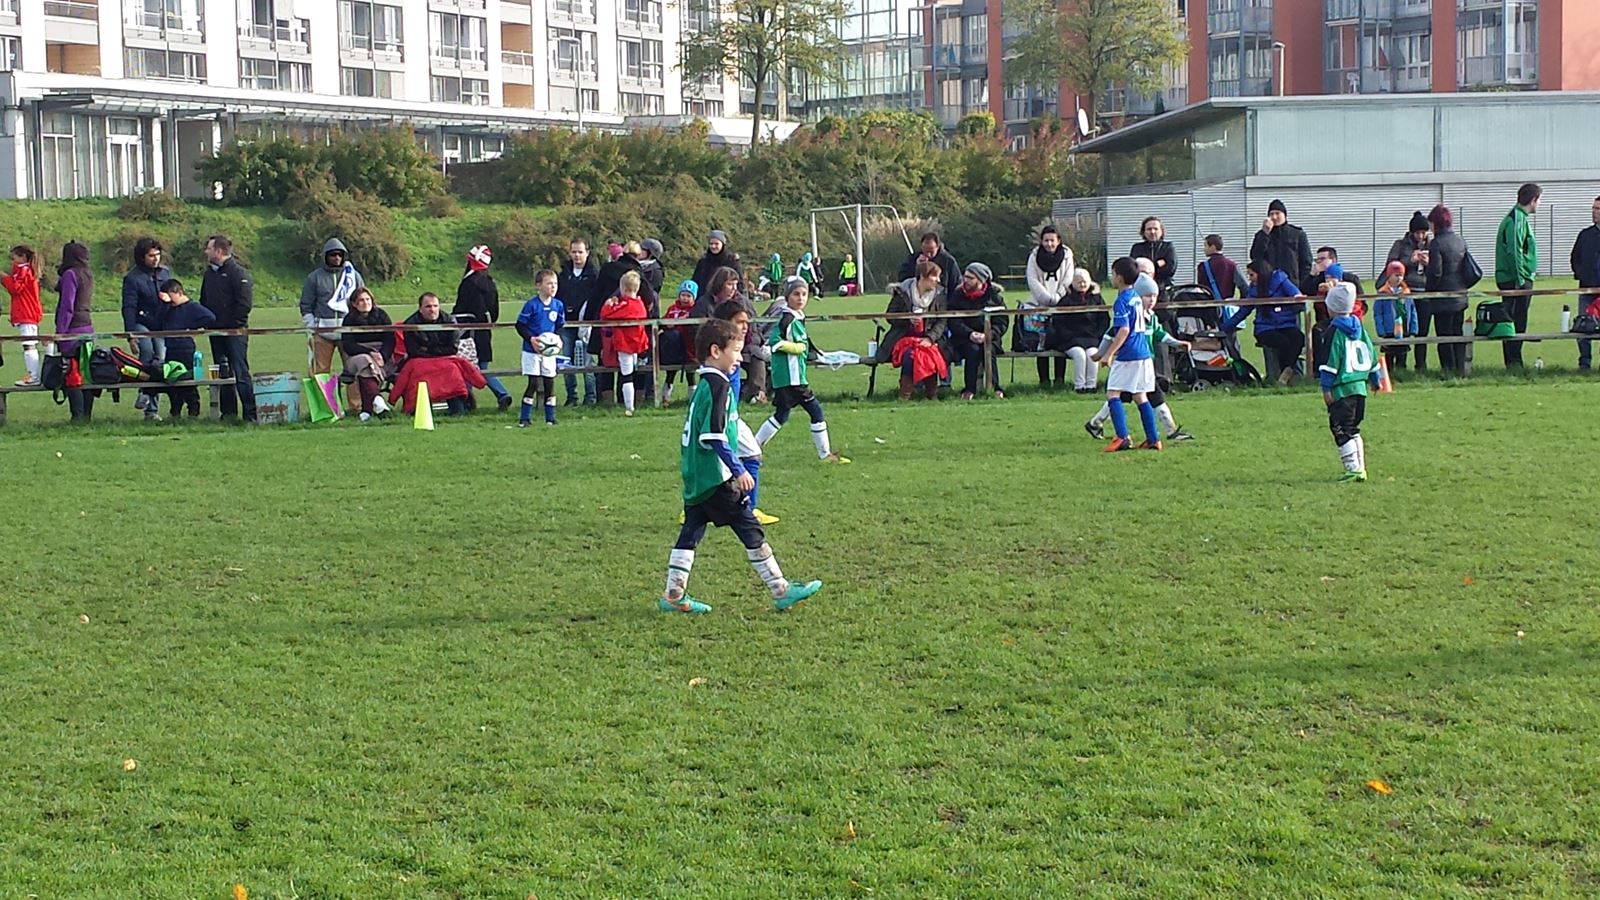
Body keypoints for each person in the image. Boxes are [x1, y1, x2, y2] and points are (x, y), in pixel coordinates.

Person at [656, 318, 821, 615]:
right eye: (735, 351)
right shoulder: (718, 386)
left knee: (691, 530)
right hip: (714, 478)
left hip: (696, 475)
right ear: (715, 351)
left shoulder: (705, 385)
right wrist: (738, 469)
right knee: (748, 525)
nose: (740, 358)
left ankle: (673, 594)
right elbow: (713, 435)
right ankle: (780, 588)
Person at [1085, 274, 1192, 444]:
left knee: (1125, 395)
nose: (1151, 300)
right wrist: (1102, 353)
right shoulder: (1131, 312)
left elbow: (1160, 334)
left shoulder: (1151, 317)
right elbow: (1111, 334)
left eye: (1154, 296)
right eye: (1147, 296)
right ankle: (1165, 432)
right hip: (1133, 360)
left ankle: (1097, 424)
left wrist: (1177, 343)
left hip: (1144, 362)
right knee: (1136, 395)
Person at [756, 278, 848, 463]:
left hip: (791, 376)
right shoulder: (788, 318)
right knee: (816, 412)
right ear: (787, 296)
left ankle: (753, 447)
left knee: (781, 415)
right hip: (792, 378)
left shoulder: (796, 316)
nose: (800, 298)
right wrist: (799, 348)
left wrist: (813, 354)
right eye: (796, 294)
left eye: (804, 294)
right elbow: (775, 342)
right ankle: (825, 455)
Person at [713, 299, 779, 526]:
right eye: (739, 322)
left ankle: (744, 508)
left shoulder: (732, 348)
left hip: (730, 415)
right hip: (723, 416)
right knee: (747, 457)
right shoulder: (721, 351)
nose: (745, 326)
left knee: (730, 460)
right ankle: (748, 510)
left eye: (746, 322)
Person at [1318, 282, 1382, 482]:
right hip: (1360, 389)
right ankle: (1360, 469)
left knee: (1340, 428)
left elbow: (1330, 362)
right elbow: (1372, 355)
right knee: (1353, 428)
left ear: (1331, 307)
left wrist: (1326, 388)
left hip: (1342, 390)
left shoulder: (1333, 332)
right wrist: (1376, 379)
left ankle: (1353, 469)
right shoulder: (1360, 328)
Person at [1098, 260, 1164, 452]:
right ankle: (1153, 438)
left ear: (1119, 277)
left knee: (1113, 393)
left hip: (1129, 355)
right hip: (1144, 353)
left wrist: (1108, 354)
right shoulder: (1136, 296)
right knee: (1140, 395)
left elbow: (1124, 330)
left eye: (1113, 273)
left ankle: (1122, 437)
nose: (1111, 277)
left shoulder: (1122, 301)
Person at [199, 235, 257, 423]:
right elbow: (204, 299)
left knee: (240, 371)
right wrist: (208, 322)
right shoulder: (209, 274)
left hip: (235, 332)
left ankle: (250, 414)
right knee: (223, 371)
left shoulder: (238, 274)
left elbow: (244, 304)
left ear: (218, 251)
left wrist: (231, 325)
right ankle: (228, 414)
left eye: (209, 248)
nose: (206, 252)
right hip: (215, 332)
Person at [1222, 258, 1305, 385]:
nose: (1249, 279)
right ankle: (1285, 374)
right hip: (1265, 328)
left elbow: (1294, 292)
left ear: (1261, 273)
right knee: (1283, 342)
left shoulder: (1281, 279)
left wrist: (1298, 296)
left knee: (1298, 338)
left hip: (1286, 323)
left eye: (1251, 275)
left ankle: (1286, 371)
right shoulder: (1253, 291)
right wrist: (1223, 328)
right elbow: (1242, 312)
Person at [454, 244, 512, 412]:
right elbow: (495, 312)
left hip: (467, 333)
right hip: (484, 332)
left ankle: (470, 400)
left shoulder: (468, 284)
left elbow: (460, 309)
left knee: (466, 365)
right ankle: (501, 394)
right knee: (483, 366)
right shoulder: (490, 284)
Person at [121, 237, 172, 420]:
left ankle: (150, 405)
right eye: (151, 255)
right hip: (141, 322)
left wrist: (170, 299)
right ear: (142, 257)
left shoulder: (165, 273)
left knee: (160, 359)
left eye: (158, 254)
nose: (155, 258)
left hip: (161, 324)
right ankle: (145, 394)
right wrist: (130, 334)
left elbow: (174, 293)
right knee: (147, 351)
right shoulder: (132, 278)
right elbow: (129, 307)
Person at [882, 260, 948, 400]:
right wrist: (907, 319)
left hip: (930, 339)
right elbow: (890, 316)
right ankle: (905, 394)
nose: (938, 280)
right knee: (910, 355)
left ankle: (931, 395)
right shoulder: (902, 292)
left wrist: (930, 338)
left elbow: (942, 321)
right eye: (935, 276)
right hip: (904, 338)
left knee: (928, 353)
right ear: (923, 276)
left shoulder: (940, 294)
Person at [300, 238, 363, 377]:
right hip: (322, 332)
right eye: (333, 255)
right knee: (319, 372)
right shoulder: (314, 278)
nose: (337, 258)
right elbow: (306, 304)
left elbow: (362, 299)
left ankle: (354, 393)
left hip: (348, 331)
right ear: (326, 256)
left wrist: (359, 323)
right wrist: (312, 325)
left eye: (340, 254)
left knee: (354, 370)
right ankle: (321, 393)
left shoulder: (353, 276)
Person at [153, 278, 215, 420]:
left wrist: (192, 328)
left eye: (170, 296)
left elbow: (210, 317)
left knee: (187, 381)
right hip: (171, 349)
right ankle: (175, 410)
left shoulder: (192, 307)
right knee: (171, 381)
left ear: (179, 293)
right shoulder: (168, 309)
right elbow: (157, 322)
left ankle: (193, 409)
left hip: (185, 349)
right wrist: (164, 304)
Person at [1495, 182, 1541, 369]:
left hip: (1514, 278)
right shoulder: (1517, 220)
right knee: (1515, 322)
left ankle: (1514, 362)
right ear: (1533, 200)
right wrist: (1520, 280)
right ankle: (1514, 363)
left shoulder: (1517, 218)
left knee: (1514, 321)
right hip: (1514, 280)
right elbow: (1514, 251)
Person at [1422, 204, 1471, 376]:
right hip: (1460, 296)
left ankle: (1448, 370)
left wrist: (1429, 290)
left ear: (1435, 223)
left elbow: (1436, 272)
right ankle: (1461, 369)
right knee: (1457, 334)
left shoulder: (1436, 243)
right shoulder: (1460, 240)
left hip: (1443, 298)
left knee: (1444, 336)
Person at [947, 262, 1007, 400]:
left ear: (981, 280)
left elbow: (1002, 321)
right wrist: (969, 334)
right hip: (963, 338)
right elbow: (953, 320)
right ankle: (969, 389)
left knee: (988, 349)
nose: (965, 280)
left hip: (989, 337)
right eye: (965, 276)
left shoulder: (994, 297)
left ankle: (995, 388)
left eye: (970, 278)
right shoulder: (957, 295)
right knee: (972, 350)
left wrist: (989, 334)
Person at [1021, 225, 1073, 382]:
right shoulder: (1034, 256)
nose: (1049, 244)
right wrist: (1046, 298)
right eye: (1046, 240)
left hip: (1061, 305)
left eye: (1052, 240)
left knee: (1060, 340)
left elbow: (1068, 278)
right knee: (1041, 344)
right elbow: (1032, 279)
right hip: (1038, 305)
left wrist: (1057, 297)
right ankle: (1043, 380)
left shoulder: (1067, 256)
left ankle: (1059, 379)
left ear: (1058, 241)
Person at [515, 269, 566, 427]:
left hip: (549, 354)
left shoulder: (558, 305)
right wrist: (531, 339)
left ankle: (550, 418)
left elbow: (560, 326)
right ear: (538, 286)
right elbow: (520, 326)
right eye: (549, 283)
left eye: (555, 283)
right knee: (533, 384)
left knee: (550, 383)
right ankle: (525, 418)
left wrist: (557, 339)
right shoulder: (531, 305)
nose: (553, 286)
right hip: (531, 352)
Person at [53, 242, 96, 422]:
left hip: (73, 329)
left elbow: (67, 306)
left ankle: (77, 416)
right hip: (88, 327)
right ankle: (87, 414)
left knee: (72, 373)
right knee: (86, 373)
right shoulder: (88, 273)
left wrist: (61, 333)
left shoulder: (70, 274)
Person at [339, 287, 395, 421]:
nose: (366, 303)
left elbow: (390, 339)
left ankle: (367, 410)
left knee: (366, 370)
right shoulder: (349, 319)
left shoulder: (382, 315)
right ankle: (377, 399)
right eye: (361, 300)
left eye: (368, 299)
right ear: (354, 303)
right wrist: (369, 352)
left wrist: (382, 355)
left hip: (382, 357)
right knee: (364, 361)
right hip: (356, 357)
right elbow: (348, 345)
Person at [600, 270, 649, 416]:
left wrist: (608, 305)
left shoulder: (625, 306)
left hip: (625, 344)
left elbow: (605, 315)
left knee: (627, 375)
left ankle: (629, 406)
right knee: (632, 371)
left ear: (623, 288)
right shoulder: (640, 304)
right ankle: (632, 403)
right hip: (638, 343)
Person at [1051, 268, 1108, 393]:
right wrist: (1069, 336)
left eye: (1085, 281)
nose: (1082, 284)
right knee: (1079, 354)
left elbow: (1104, 320)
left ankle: (1091, 385)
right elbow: (1058, 323)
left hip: (1092, 338)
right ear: (1072, 283)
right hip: (1070, 340)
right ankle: (1079, 386)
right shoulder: (1065, 301)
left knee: (1093, 354)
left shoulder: (1097, 299)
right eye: (1079, 282)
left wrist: (1098, 335)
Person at [1387, 211, 1432, 369]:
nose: (1421, 236)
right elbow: (1391, 265)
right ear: (1411, 232)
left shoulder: (1432, 245)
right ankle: (1400, 365)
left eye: (1424, 233)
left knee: (1422, 331)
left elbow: (1438, 268)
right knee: (1402, 328)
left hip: (1425, 292)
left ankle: (1421, 365)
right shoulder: (1400, 245)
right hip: (1404, 293)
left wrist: (1429, 263)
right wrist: (1410, 261)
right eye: (1418, 233)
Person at [558, 239, 599, 406]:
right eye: (574, 252)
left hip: (585, 324)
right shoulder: (564, 273)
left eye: (580, 252)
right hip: (567, 324)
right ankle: (571, 397)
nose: (577, 255)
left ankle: (590, 396)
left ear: (587, 253)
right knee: (566, 361)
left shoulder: (594, 274)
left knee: (587, 361)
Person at [1250, 199, 1313, 287]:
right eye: (1271, 214)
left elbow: (1306, 261)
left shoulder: (1297, 234)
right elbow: (1255, 256)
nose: (1274, 217)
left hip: (1292, 284)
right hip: (1268, 285)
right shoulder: (1261, 235)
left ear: (1285, 215)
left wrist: (1301, 284)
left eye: (1277, 213)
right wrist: (1265, 234)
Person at [4, 244, 43, 386]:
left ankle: (34, 376)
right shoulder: (24, 270)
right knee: (28, 344)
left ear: (23, 257)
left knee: (29, 344)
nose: (13, 261)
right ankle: (33, 375)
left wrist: (4, 278)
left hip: (28, 313)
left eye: (14, 258)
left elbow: (15, 288)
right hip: (27, 312)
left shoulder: (24, 271)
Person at [1570, 196, 1600, 370]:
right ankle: (1584, 363)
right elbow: (1575, 257)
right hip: (1587, 290)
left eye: (1598, 209)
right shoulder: (1585, 235)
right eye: (1593, 208)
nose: (1594, 212)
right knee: (1583, 327)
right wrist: (1581, 274)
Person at [1373, 261, 1417, 374]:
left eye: (1401, 275)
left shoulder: (1406, 292)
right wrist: (1381, 330)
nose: (1399, 278)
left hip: (1404, 328)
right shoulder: (1382, 293)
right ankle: (1389, 374)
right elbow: (1378, 313)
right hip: (1389, 329)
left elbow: (1412, 311)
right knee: (1389, 353)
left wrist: (1413, 328)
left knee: (1402, 353)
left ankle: (1401, 373)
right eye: (1396, 275)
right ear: (1389, 275)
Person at [660, 281, 698, 405]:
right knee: (670, 374)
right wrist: (668, 324)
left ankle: (692, 400)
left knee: (690, 374)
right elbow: (664, 322)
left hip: (689, 348)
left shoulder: (694, 310)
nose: (685, 298)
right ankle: (665, 398)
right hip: (674, 348)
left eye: (688, 296)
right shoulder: (672, 309)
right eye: (683, 295)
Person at [897, 231, 960, 301]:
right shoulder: (913, 259)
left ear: (938, 247)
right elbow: (903, 279)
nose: (928, 254)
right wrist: (917, 268)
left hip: (940, 301)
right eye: (925, 251)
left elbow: (956, 285)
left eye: (931, 251)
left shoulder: (949, 261)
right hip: (916, 299)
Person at [401, 292, 460, 361]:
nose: (432, 310)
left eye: (435, 306)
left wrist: (428, 350)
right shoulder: (410, 324)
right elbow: (414, 351)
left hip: (447, 359)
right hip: (421, 360)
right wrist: (440, 350)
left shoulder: (450, 322)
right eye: (428, 306)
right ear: (420, 309)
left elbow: (453, 349)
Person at [691, 229, 742, 300]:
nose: (713, 246)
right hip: (705, 300)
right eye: (711, 244)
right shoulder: (703, 261)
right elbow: (695, 281)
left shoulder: (732, 261)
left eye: (716, 244)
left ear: (722, 244)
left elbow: (740, 283)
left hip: (727, 301)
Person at [1130, 217, 1177, 293]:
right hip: (1141, 289)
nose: (1152, 232)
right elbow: (1134, 269)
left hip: (1164, 289)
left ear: (1161, 231)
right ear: (1143, 232)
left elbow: (1170, 270)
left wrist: (1147, 268)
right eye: (1149, 229)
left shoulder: (1168, 247)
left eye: (1155, 229)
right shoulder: (1137, 248)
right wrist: (1157, 265)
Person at [1197, 234, 1244, 302]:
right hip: (1226, 304)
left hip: (1208, 305)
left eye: (1205, 246)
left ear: (1213, 247)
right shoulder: (1232, 265)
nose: (1204, 249)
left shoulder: (1202, 267)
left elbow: (1200, 289)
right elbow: (1244, 286)